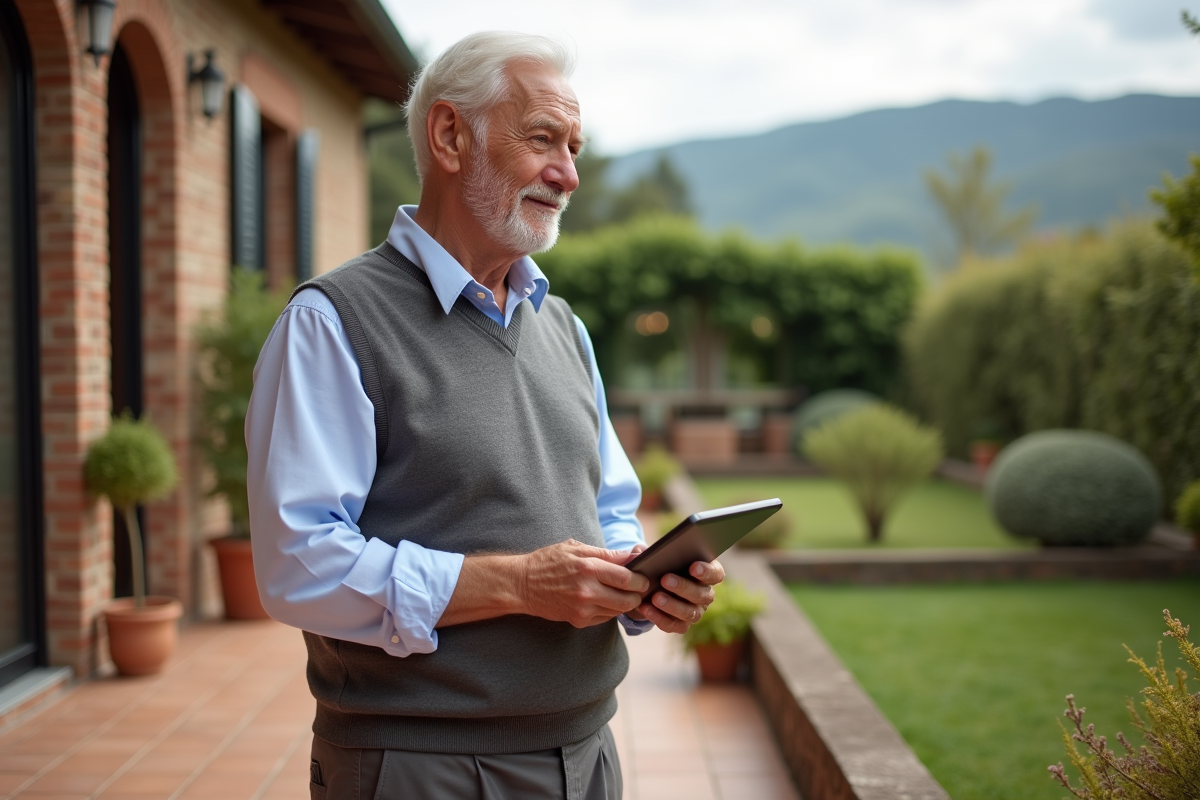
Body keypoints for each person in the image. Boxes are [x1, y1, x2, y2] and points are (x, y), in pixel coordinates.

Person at [245, 31, 724, 800]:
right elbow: (298, 565)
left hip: (586, 751)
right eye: (542, 139)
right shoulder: (333, 321)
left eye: (574, 147)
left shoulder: (563, 326)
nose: (568, 174)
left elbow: (608, 508)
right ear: (449, 135)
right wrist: (514, 584)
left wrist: (645, 579)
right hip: (417, 765)